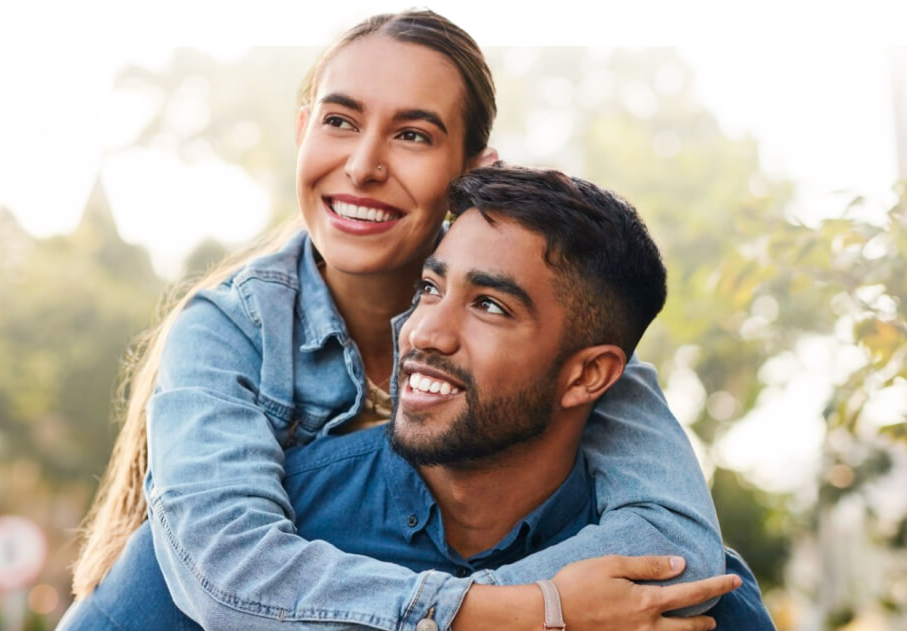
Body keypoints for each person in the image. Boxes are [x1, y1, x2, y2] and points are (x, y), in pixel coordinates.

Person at [66, 10, 736, 630]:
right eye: (339, 121)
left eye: (413, 134)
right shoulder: (233, 330)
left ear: (473, 172)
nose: (362, 166)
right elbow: (228, 575)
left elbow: (678, 551)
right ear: (303, 134)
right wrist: (535, 612)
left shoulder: (562, 336)